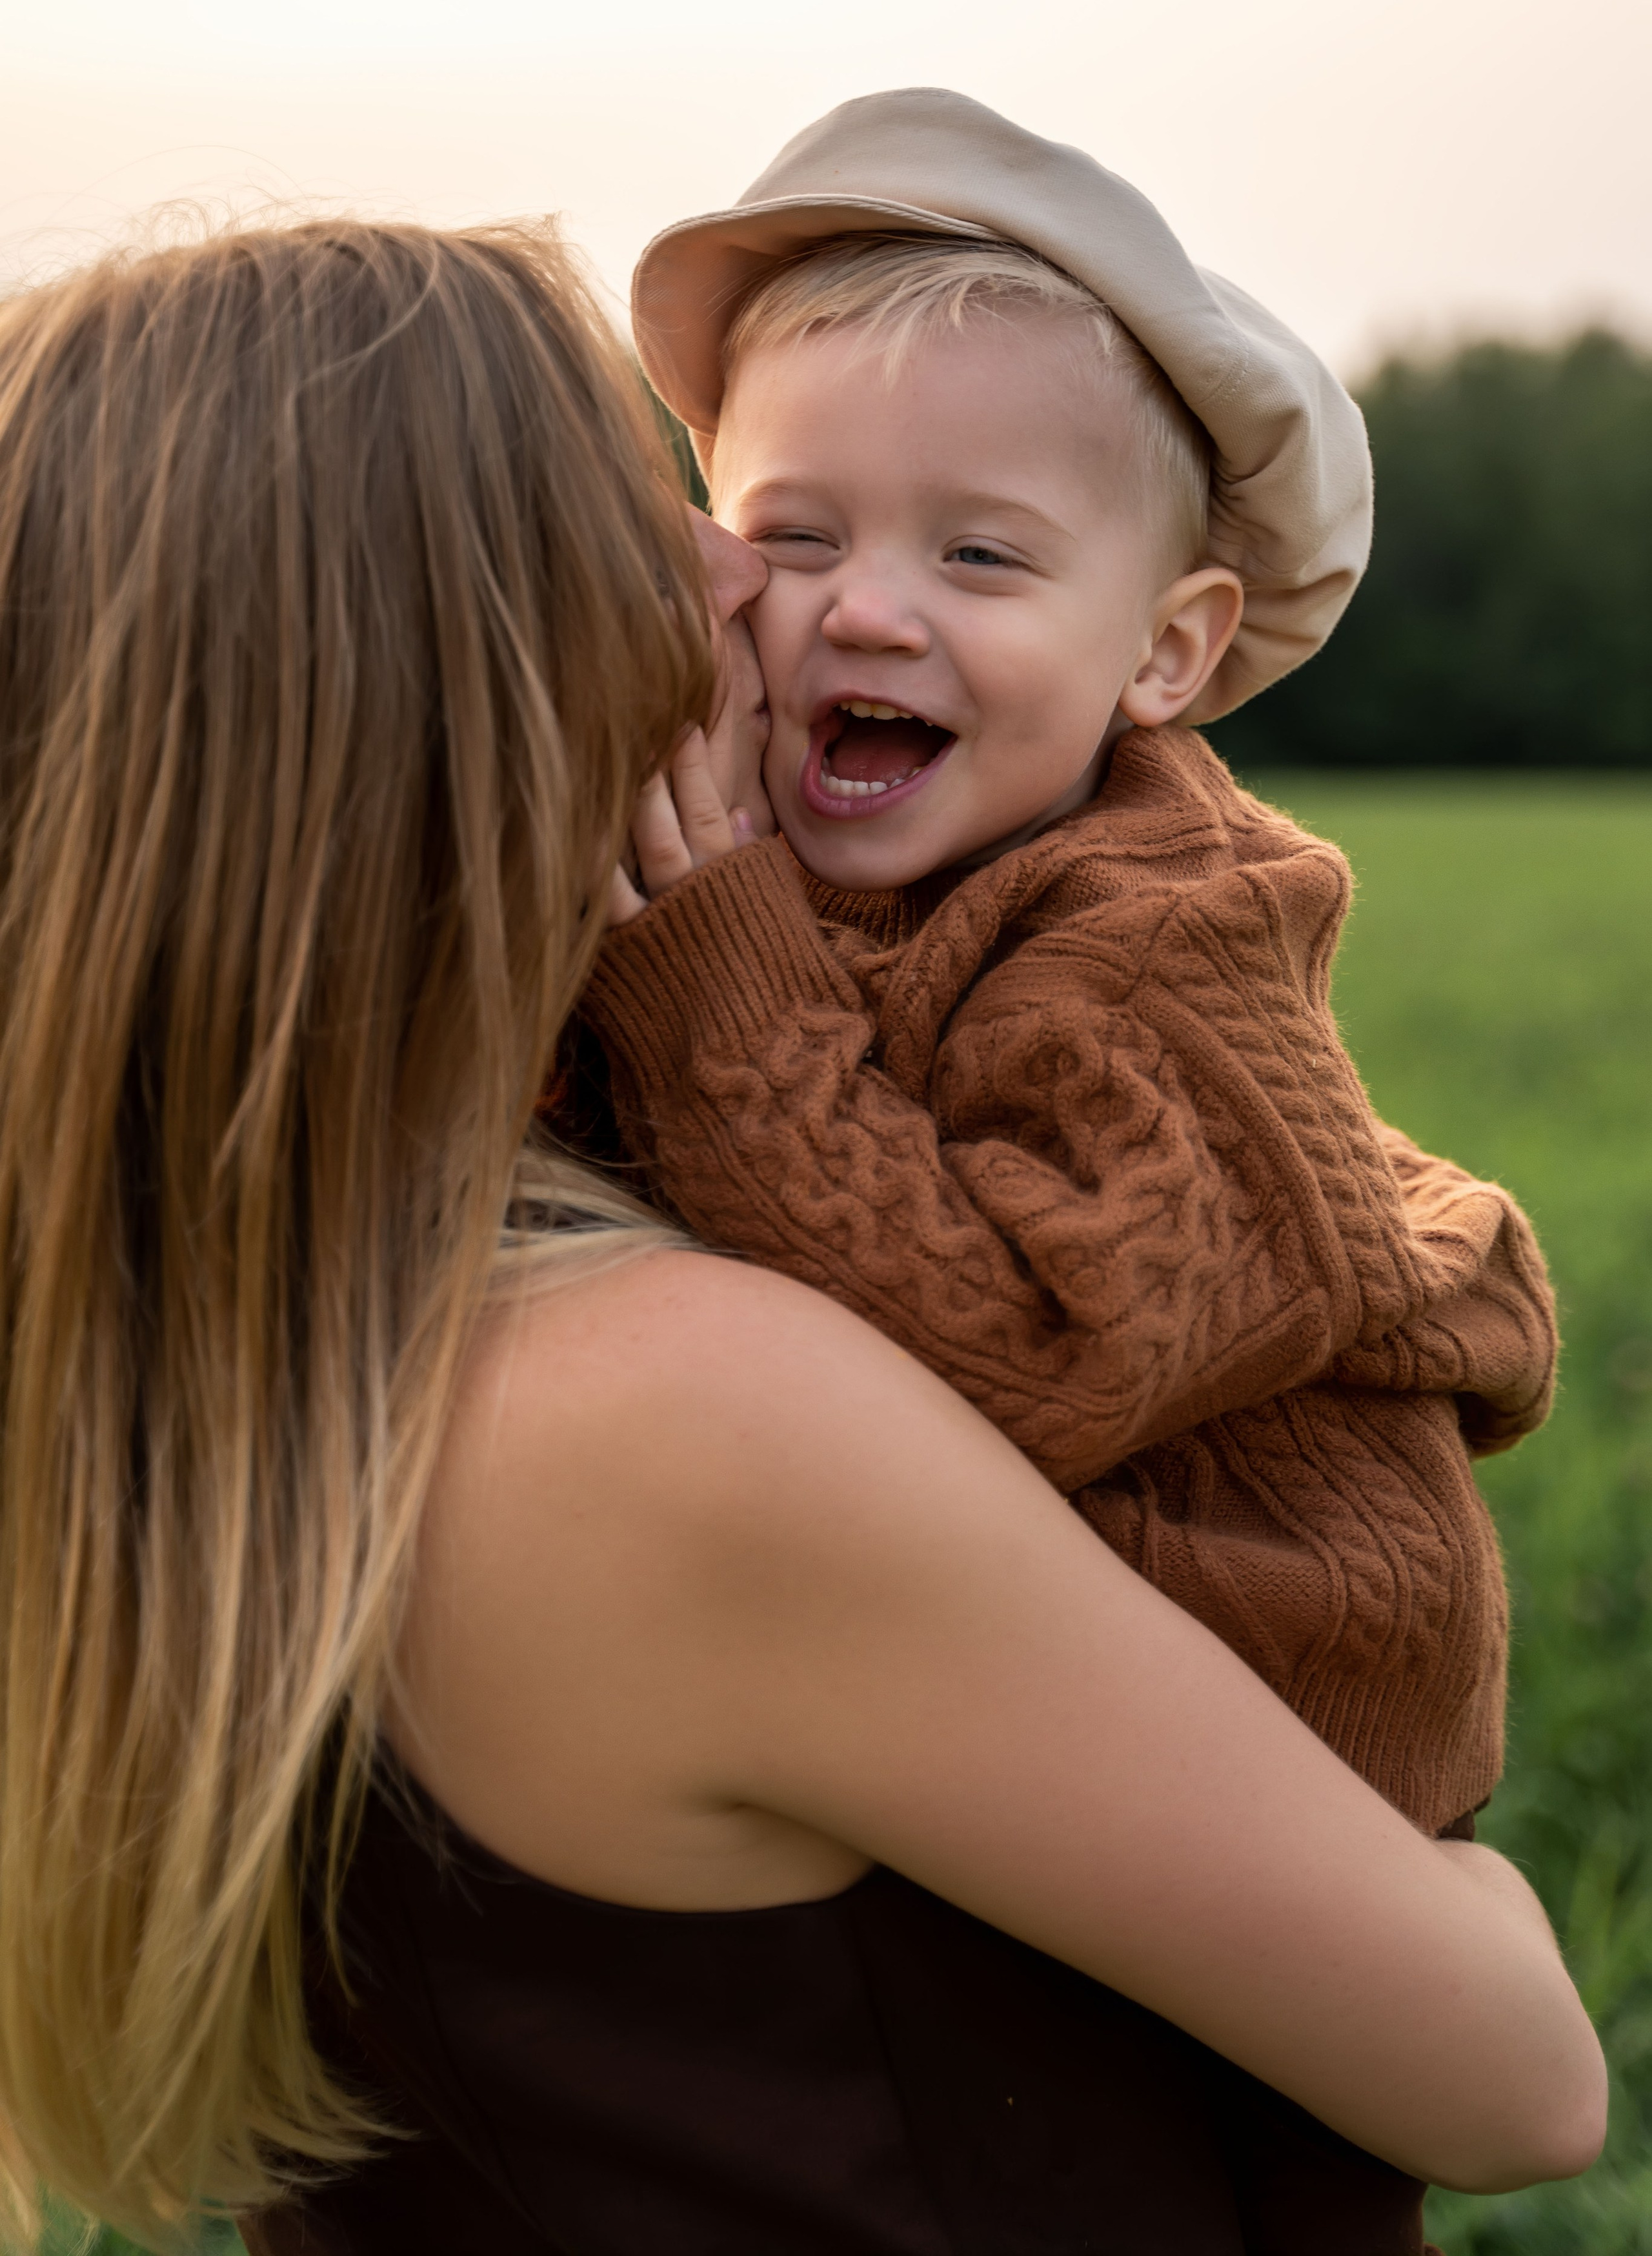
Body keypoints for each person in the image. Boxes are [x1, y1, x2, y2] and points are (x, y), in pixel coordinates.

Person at [0, 217, 1601, 2256]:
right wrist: (1467, 1892)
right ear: (474, 669)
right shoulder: (674, 1420)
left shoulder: (188, 1333)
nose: (743, 582)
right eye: (659, 510)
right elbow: (1520, 2074)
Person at [579, 90, 1565, 2244]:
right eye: (802, 532)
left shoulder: (1172, 928)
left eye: (982, 554)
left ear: (1168, 654)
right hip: (1000, 1724)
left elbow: (1033, 1355)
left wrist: (711, 976)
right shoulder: (777, 853)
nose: (866, 613)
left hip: (1273, 1731)